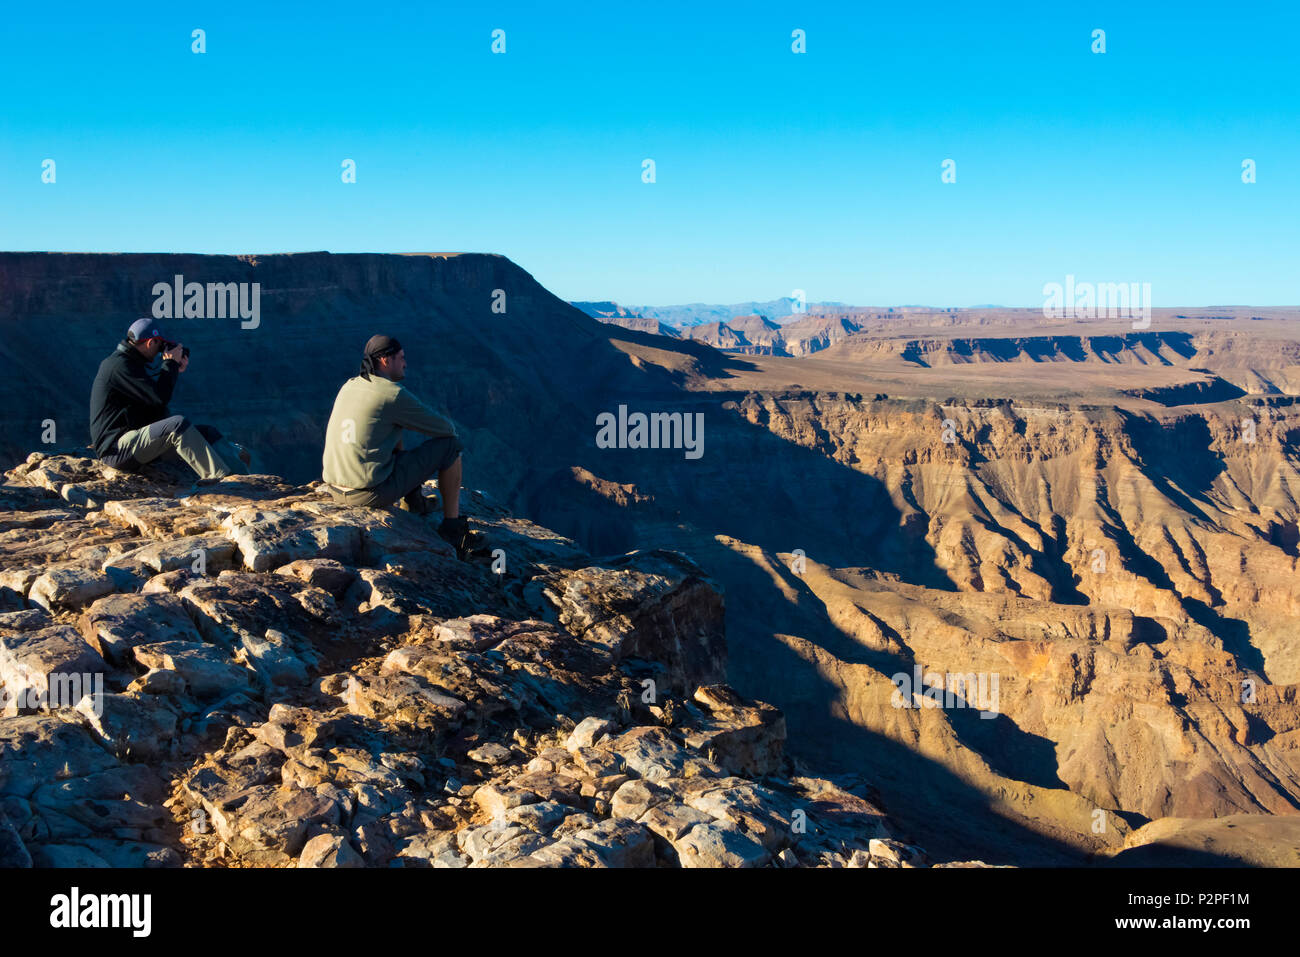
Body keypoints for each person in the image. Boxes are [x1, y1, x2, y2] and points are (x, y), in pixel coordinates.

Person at [322, 334, 486, 558]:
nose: (405, 363)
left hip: (335, 489)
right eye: (401, 358)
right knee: (450, 446)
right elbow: (447, 430)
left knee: (390, 429)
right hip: (367, 495)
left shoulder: (350, 385)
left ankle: (414, 503)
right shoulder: (391, 394)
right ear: (385, 361)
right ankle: (452, 530)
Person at [89, 318, 251, 481]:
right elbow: (159, 398)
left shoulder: (131, 364)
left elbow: (156, 409)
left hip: (134, 442)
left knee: (207, 433)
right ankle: (221, 483)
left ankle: (242, 480)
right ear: (150, 342)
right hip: (117, 449)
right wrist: (170, 364)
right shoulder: (118, 366)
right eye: (160, 345)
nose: (161, 351)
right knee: (178, 425)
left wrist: (173, 368)